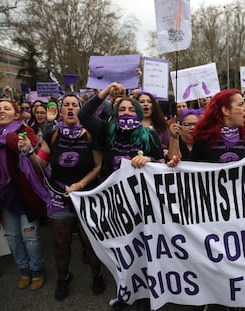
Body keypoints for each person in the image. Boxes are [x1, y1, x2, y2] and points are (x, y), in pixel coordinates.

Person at [177, 89, 245, 311]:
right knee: (214, 254)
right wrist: (175, 165)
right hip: (212, 208)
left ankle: (233, 297)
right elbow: (193, 169)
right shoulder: (204, 136)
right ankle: (210, 294)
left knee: (237, 253)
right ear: (225, 110)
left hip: (241, 207)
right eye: (239, 104)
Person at [78, 82, 164, 311]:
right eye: (122, 110)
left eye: (131, 109)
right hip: (113, 201)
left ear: (138, 113)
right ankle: (125, 292)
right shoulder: (107, 131)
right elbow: (83, 115)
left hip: (140, 202)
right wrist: (105, 92)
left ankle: (145, 296)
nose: (127, 113)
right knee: (121, 249)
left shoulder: (150, 135)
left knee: (142, 248)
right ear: (115, 114)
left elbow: (160, 164)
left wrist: (150, 161)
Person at [18, 93, 105, 301]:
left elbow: (98, 166)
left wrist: (81, 184)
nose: (70, 108)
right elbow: (42, 164)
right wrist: (30, 152)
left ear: (80, 108)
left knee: (89, 241)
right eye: (66, 104)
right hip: (59, 194)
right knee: (60, 241)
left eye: (75, 105)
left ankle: (97, 274)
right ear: (60, 109)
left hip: (86, 194)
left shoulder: (91, 133)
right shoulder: (53, 134)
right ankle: (63, 278)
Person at [0, 99, 46, 290]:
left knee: (30, 237)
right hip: (4, 197)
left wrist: (8, 136)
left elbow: (26, 148)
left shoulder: (26, 131)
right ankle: (24, 271)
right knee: (13, 238)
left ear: (16, 115)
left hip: (25, 195)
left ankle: (37, 270)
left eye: (6, 108)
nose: (1, 111)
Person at [137, 91, 170, 157]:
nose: (146, 104)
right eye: (142, 102)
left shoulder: (161, 125)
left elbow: (167, 145)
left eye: (149, 102)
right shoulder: (131, 124)